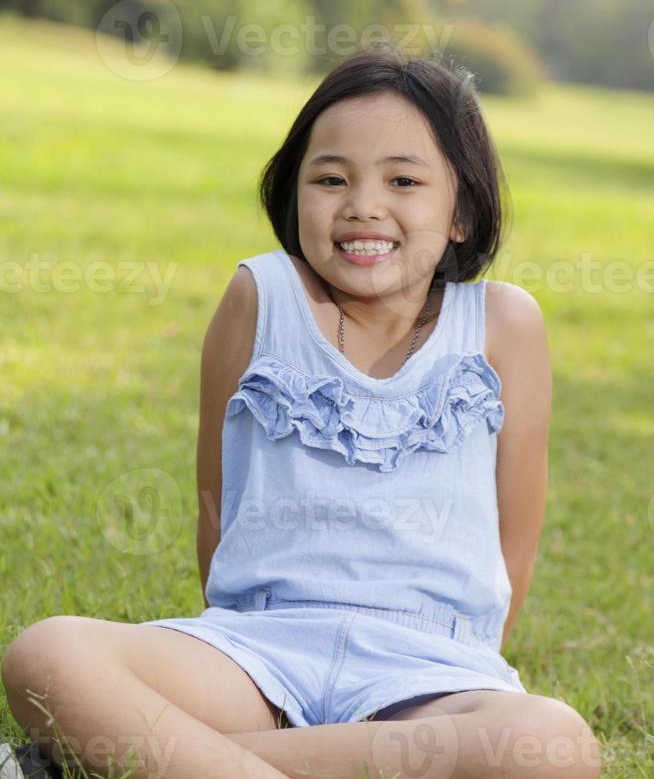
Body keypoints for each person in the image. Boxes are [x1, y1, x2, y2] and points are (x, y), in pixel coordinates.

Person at [0, 49, 602, 778]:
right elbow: (216, 507)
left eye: (404, 181)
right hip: (257, 655)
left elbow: (515, 540)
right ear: (294, 195)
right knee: (47, 655)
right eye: (330, 179)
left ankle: (179, 764)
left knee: (553, 743)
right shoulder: (261, 296)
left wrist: (460, 667)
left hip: (427, 674)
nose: (363, 206)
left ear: (463, 212)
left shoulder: (504, 324)